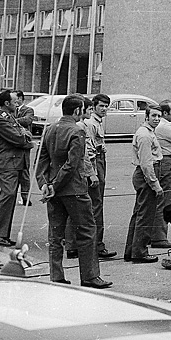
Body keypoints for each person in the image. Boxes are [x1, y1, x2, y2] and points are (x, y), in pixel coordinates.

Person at [36, 95, 112, 289]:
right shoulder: (77, 131)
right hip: (73, 190)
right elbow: (72, 164)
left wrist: (45, 184)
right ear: (77, 111)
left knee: (55, 234)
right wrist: (56, 185)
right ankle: (90, 276)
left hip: (54, 190)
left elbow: (42, 159)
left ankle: (56, 275)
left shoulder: (51, 129)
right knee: (87, 231)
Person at [0, 90, 34, 247]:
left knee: (10, 197)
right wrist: (26, 138)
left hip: (15, 163)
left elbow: (24, 133)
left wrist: (24, 135)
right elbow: (20, 138)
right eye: (15, 102)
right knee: (7, 196)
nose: (17, 104)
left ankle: (3, 234)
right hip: (8, 164)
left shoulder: (10, 117)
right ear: (7, 103)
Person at [124, 103, 163, 263]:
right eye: (153, 116)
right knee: (145, 215)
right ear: (146, 117)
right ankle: (139, 252)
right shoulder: (145, 135)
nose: (157, 119)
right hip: (146, 176)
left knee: (139, 213)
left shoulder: (147, 132)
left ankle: (132, 250)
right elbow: (147, 164)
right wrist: (156, 185)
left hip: (145, 175)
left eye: (159, 116)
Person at [64, 96, 99, 258]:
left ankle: (72, 244)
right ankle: (74, 245)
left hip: (79, 170)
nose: (90, 111)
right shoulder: (79, 128)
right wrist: (91, 174)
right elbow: (83, 155)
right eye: (89, 109)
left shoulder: (83, 125)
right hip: (81, 172)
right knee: (79, 211)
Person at [82, 94, 115, 258]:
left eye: (106, 106)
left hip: (99, 161)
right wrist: (93, 172)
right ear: (94, 106)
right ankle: (96, 245)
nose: (104, 109)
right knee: (96, 204)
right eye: (101, 106)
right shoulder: (90, 123)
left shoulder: (97, 122)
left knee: (96, 203)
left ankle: (95, 243)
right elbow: (88, 151)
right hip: (95, 164)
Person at [151, 100, 171, 249]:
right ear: (165, 113)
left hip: (163, 162)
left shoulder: (164, 126)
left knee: (160, 200)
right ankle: (159, 237)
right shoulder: (165, 127)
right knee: (165, 200)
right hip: (167, 162)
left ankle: (154, 234)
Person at [14, 90, 34, 206]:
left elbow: (27, 120)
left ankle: (25, 197)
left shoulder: (28, 110)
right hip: (12, 143)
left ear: (21, 98)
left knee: (24, 171)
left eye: (16, 98)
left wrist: (12, 122)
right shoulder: (9, 110)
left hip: (24, 144)